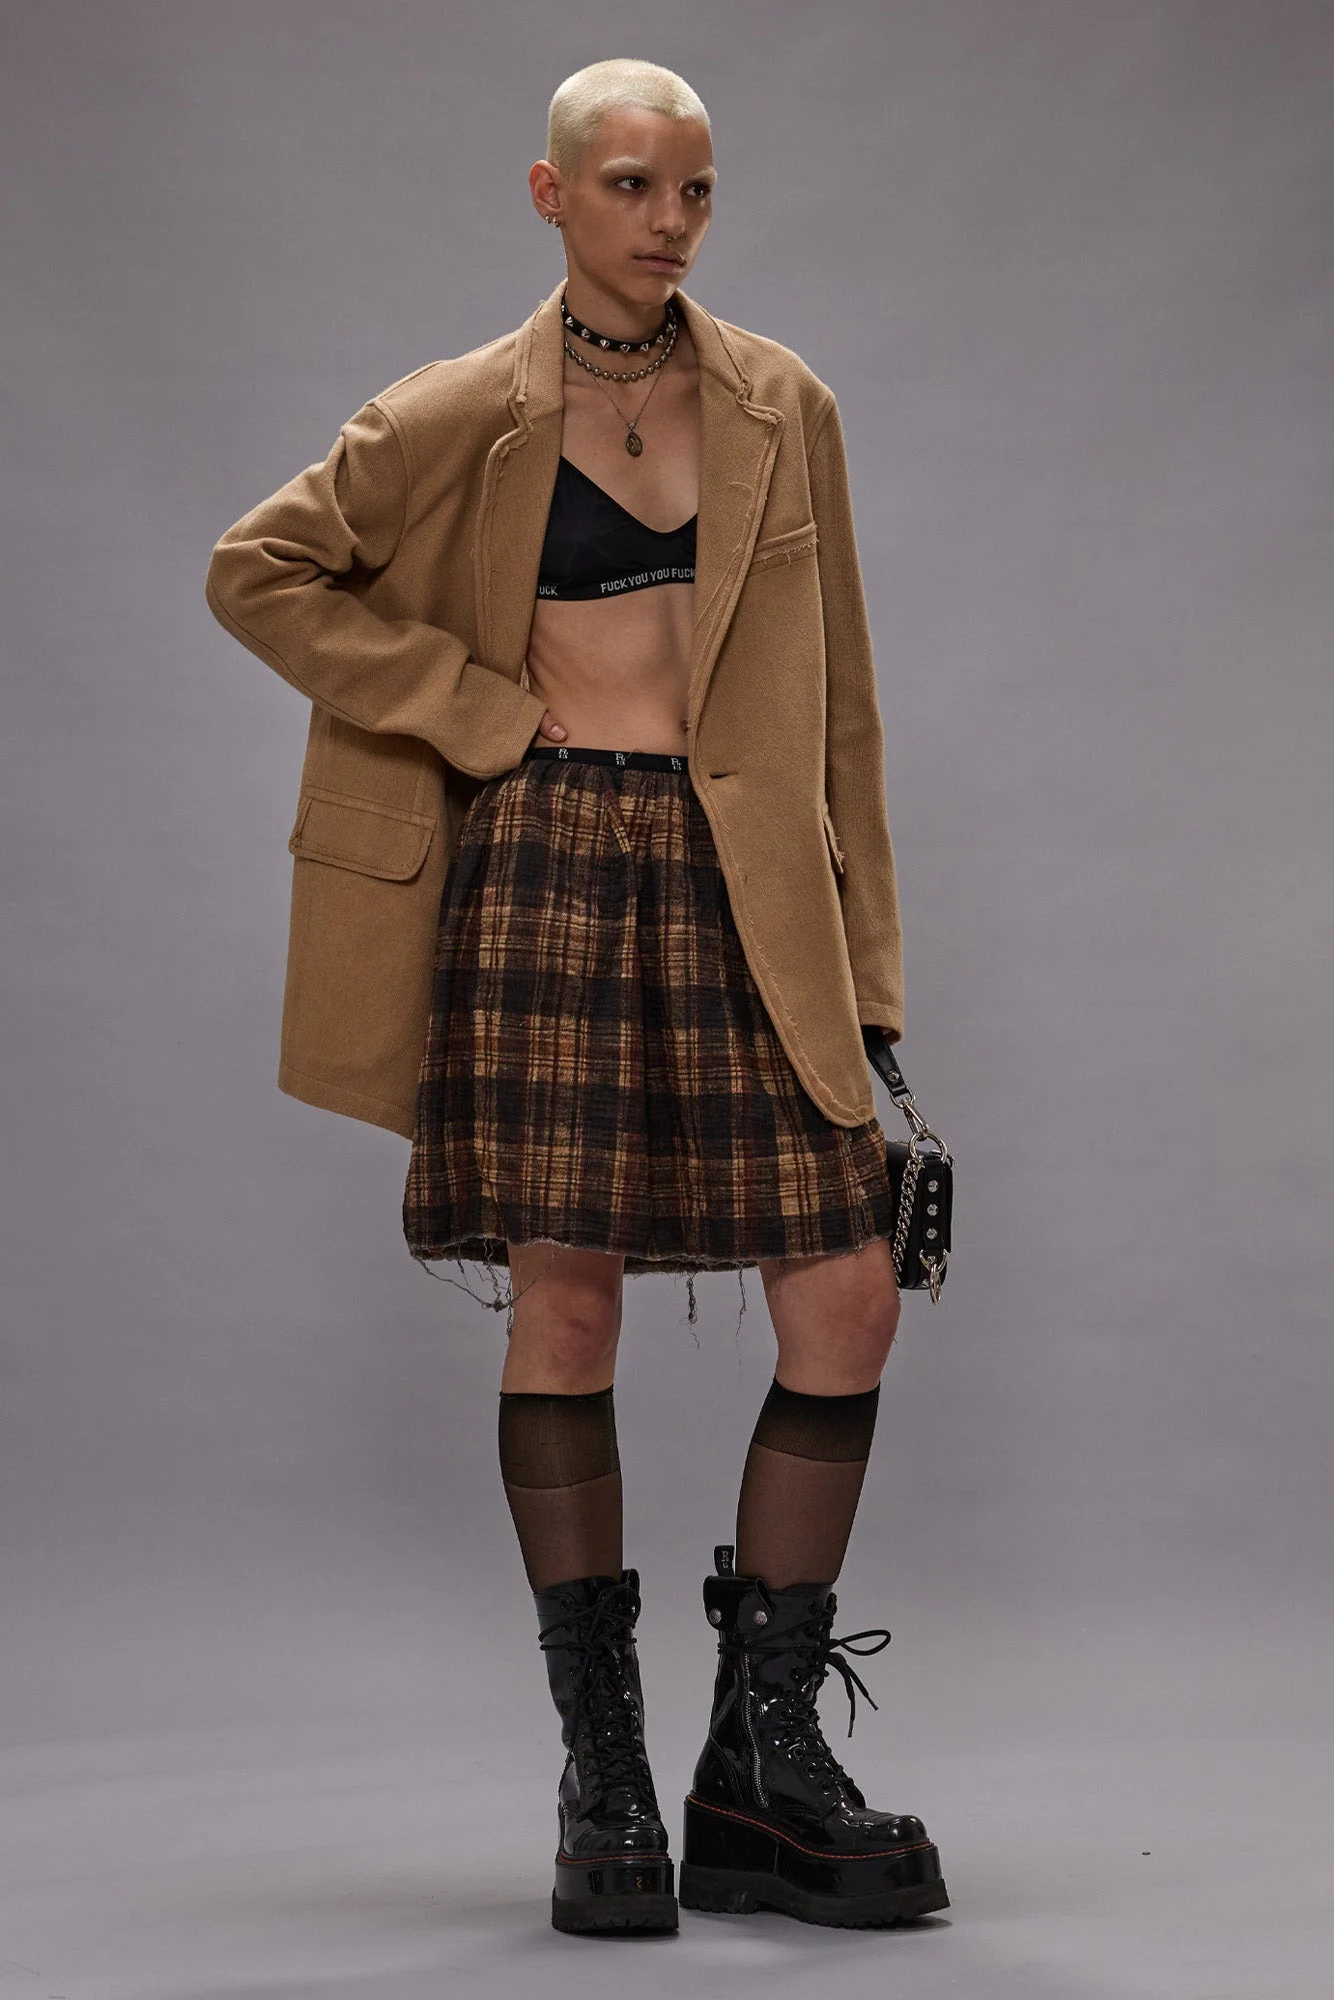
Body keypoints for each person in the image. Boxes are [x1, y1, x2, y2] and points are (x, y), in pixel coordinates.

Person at [205, 56, 948, 1938]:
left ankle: (759, 1765)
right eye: (630, 186)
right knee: (568, 1294)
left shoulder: (782, 402)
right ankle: (602, 1775)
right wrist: (466, 708)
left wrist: (868, 980)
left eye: (693, 190)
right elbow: (260, 569)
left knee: (847, 1295)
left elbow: (844, 707)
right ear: (551, 195)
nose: (669, 222)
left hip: (749, 882)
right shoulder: (458, 410)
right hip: (546, 865)